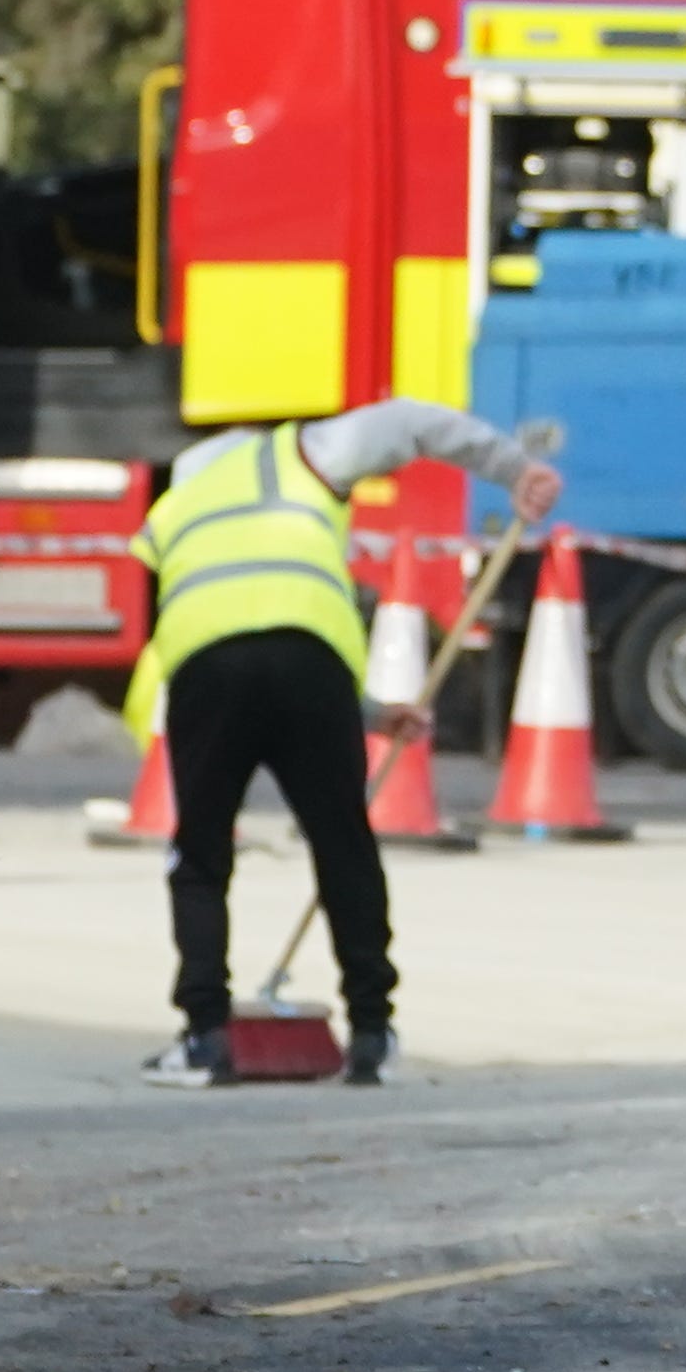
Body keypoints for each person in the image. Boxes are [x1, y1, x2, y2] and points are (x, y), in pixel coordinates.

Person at [127, 391, 562, 1087]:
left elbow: (229, 614)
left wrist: (373, 711)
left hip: (206, 671)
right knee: (343, 845)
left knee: (201, 857)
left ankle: (205, 1039)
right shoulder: (304, 452)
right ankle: (370, 1034)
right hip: (312, 668)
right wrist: (514, 469)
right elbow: (412, 423)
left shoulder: (173, 503)